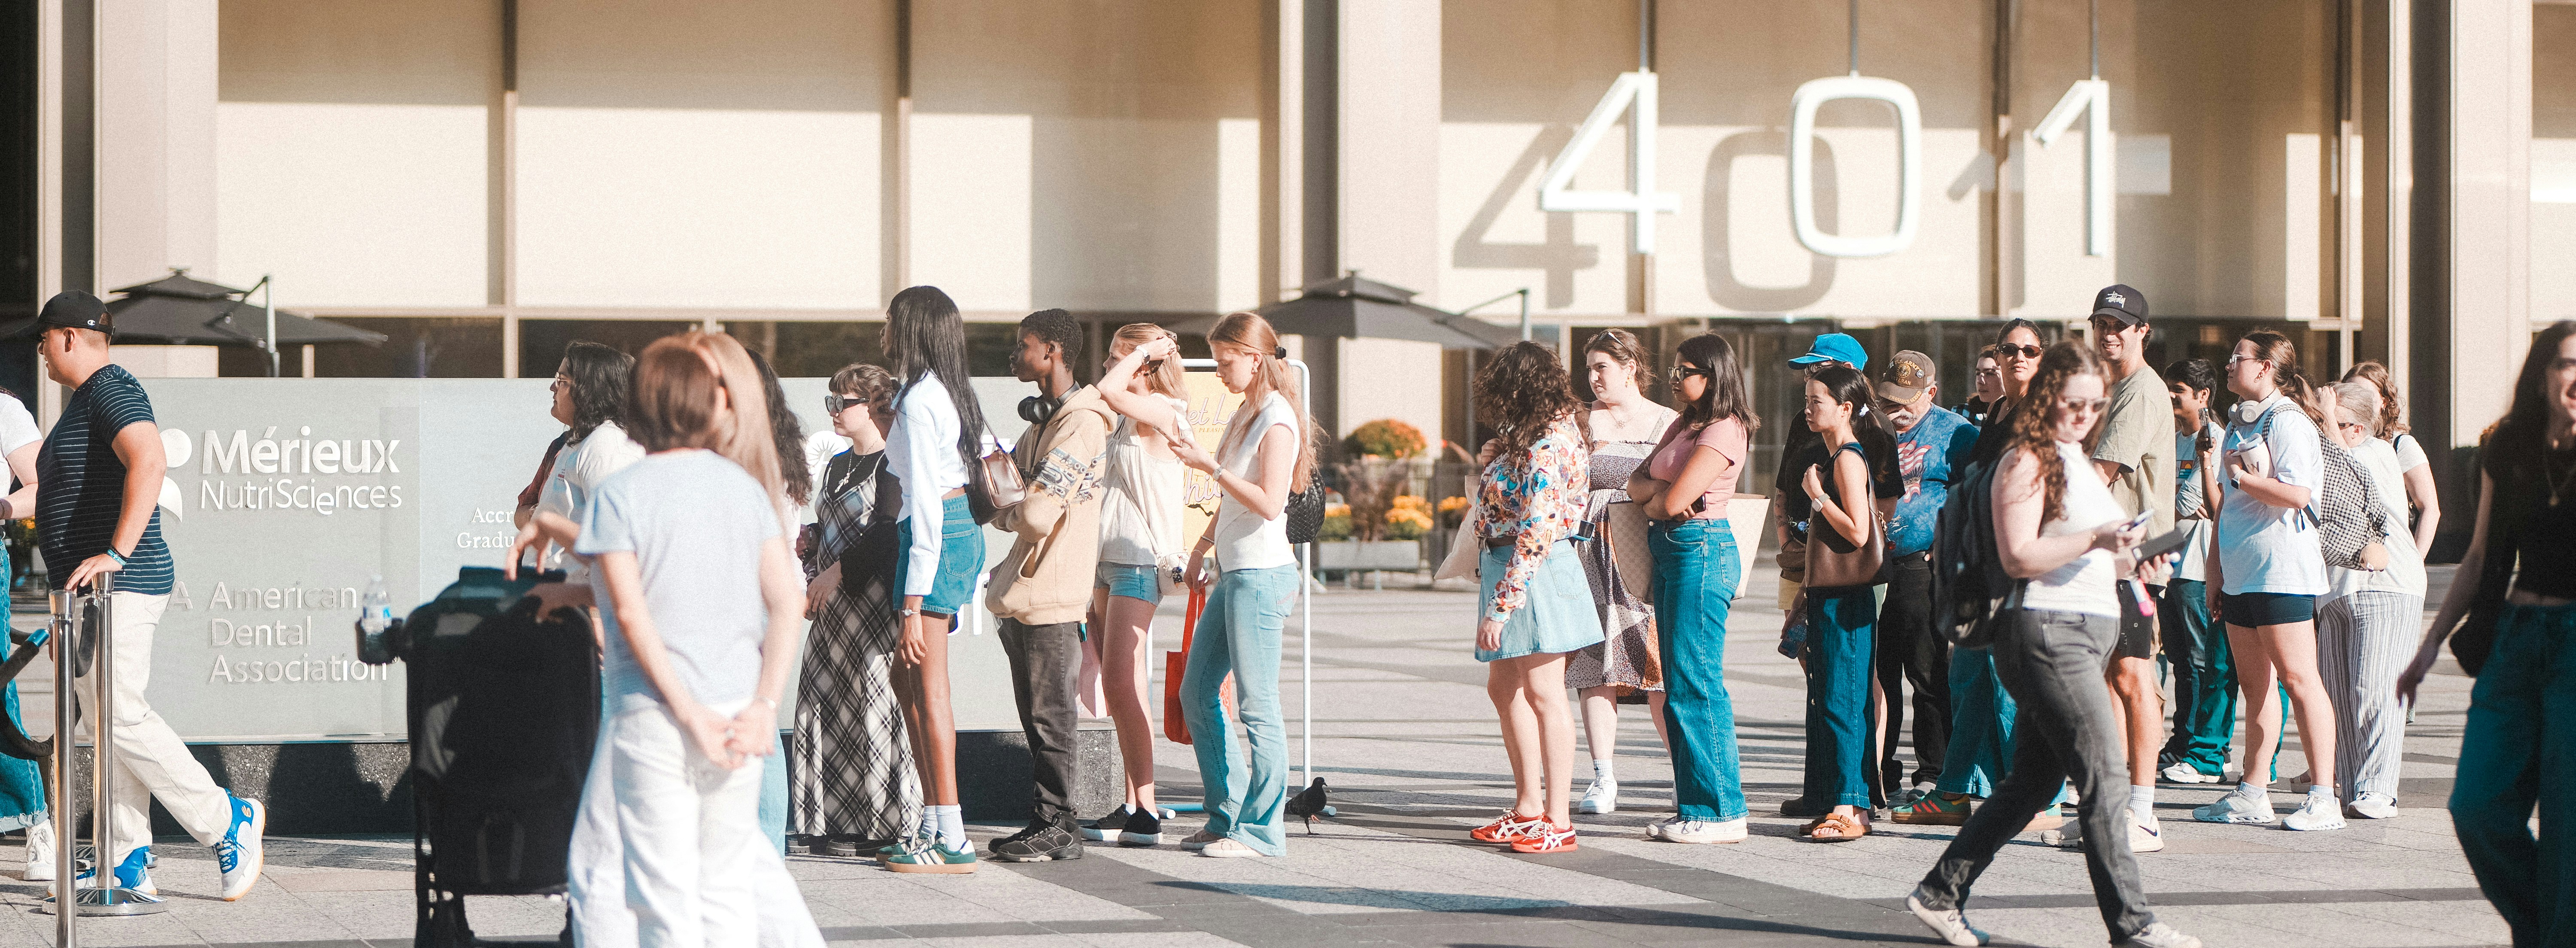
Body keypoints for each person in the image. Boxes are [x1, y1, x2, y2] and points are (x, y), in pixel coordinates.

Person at [1905, 341, 2198, 948]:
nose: (2084, 416)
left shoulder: (2073, 460)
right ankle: (2133, 926)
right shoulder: (2027, 461)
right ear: (2048, 398)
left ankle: (1940, 892)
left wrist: (2137, 559)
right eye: (2073, 404)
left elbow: (2090, 552)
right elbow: (2019, 557)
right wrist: (2097, 540)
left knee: (2032, 786)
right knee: (2105, 778)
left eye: (2095, 407)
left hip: (2080, 632)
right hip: (2046, 634)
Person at [573, 331, 823, 946]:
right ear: (710, 406)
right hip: (737, 715)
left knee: (662, 901)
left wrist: (686, 713)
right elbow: (787, 602)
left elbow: (632, 615)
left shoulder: (618, 495)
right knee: (726, 893)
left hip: (653, 719)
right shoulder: (743, 489)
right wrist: (765, 706)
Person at [18, 291, 265, 900]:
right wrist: (66, 609)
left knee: (120, 713)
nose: (42, 351)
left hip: (123, 584)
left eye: (44, 339)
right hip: (88, 594)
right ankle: (126, 856)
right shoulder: (87, 400)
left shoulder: (112, 389)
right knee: (105, 721)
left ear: (71, 336)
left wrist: (117, 554)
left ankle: (227, 819)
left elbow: (149, 461)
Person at [2400, 321, 2576, 947]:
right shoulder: (2507, 448)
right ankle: (2545, 927)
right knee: (2476, 807)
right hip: (2519, 637)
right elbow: (2478, 558)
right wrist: (2426, 648)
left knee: (2566, 826)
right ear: (2542, 375)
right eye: (2567, 364)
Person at [508, 343, 649, 942]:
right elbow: (536, 516)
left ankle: (596, 915)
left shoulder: (608, 450)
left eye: (562, 379)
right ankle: (586, 908)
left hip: (597, 628)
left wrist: (593, 612)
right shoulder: (569, 447)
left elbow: (621, 550)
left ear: (587, 389)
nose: (552, 387)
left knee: (599, 779)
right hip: (567, 619)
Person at [1166, 311, 1313, 859]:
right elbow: (1232, 503)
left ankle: (1262, 832)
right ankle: (1228, 814)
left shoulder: (1276, 419)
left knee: (1257, 706)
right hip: (1235, 573)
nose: (1222, 372)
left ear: (1255, 360)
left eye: (1227, 362)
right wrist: (1203, 548)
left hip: (1261, 576)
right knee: (1196, 692)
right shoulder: (1246, 413)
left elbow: (1271, 501)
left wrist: (1210, 466)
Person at [1897, 319, 2052, 827]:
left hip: (2014, 566)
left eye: (2029, 350)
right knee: (1968, 679)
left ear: (2042, 357)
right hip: (1975, 563)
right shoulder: (1998, 411)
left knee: (2007, 683)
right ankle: (1952, 790)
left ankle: (2037, 794)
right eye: (2009, 349)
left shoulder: (2043, 414)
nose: (2018, 358)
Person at [2192, 329, 2343, 832]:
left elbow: (2299, 495)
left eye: (2239, 358)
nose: (2230, 364)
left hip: (2282, 571)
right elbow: (2228, 510)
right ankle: (2252, 791)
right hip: (2241, 572)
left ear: (2266, 368)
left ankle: (2325, 795)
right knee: (2256, 686)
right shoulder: (2237, 424)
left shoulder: (2289, 422)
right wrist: (2215, 574)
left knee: (2300, 680)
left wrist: (2240, 477)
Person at [983, 309, 1115, 863]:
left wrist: (1011, 512)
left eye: (1024, 346)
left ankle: (1059, 825)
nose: (1015, 355)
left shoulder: (1080, 424)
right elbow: (999, 493)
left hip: (1053, 592)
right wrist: (1009, 505)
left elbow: (1032, 513)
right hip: (1026, 591)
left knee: (1051, 717)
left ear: (1055, 351)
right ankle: (1048, 821)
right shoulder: (1043, 422)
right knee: (1038, 718)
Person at [1457, 342, 1598, 855]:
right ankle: (1528, 808)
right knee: (1505, 687)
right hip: (1512, 567)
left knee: (1544, 692)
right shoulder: (1535, 437)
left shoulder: (1546, 442)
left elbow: (1538, 530)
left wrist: (1502, 604)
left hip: (1532, 572)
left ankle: (1557, 820)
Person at [875, 285, 993, 872]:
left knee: (928, 684)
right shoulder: (949, 391)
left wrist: (912, 598)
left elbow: (923, 498)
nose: (884, 332)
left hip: (936, 535)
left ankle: (953, 834)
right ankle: (932, 820)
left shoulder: (923, 399)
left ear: (912, 329)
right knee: (907, 677)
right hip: (950, 531)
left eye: (891, 322)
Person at [1624, 332, 1759, 845]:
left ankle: (1722, 811)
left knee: (1696, 681)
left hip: (1699, 550)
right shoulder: (1685, 424)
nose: (1676, 379)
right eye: (1676, 370)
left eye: (1687, 372)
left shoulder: (1724, 429)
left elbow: (1667, 499)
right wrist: (1660, 494)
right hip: (1674, 549)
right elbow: (1638, 483)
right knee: (1677, 683)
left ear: (1714, 375)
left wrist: (1660, 497)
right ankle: (1695, 805)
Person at [793, 363, 920, 855]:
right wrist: (812, 545)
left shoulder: (893, 463)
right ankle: (833, 820)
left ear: (872, 406)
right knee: (824, 702)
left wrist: (837, 570)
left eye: (842, 402)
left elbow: (887, 537)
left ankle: (887, 821)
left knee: (874, 703)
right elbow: (833, 524)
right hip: (831, 606)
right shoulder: (836, 464)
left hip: (868, 603)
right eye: (831, 402)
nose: (834, 412)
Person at [2072, 284, 2174, 855]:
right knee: (2111, 679)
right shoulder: (2111, 389)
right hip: (2106, 559)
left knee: (2135, 680)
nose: (2109, 334)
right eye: (2102, 324)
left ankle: (2143, 812)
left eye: (2120, 325)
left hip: (2134, 562)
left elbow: (2101, 472)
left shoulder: (2139, 391)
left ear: (2143, 332)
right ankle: (2113, 808)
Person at [1082, 324, 1192, 847]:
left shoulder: (1165, 412)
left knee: (1124, 682)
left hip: (1138, 561)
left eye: (1116, 358)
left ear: (1143, 365)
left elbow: (1109, 389)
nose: (1107, 366)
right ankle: (1131, 802)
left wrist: (1145, 353)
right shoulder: (1125, 420)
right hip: (1105, 557)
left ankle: (1146, 807)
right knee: (1114, 682)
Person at [1563, 329, 1680, 815]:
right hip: (1587, 549)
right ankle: (1603, 777)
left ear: (1630, 367)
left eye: (1602, 367)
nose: (1593, 378)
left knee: (1657, 669)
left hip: (1642, 552)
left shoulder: (1666, 421)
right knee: (1595, 666)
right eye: (1588, 368)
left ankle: (1683, 774)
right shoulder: (1578, 420)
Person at [1791, 365, 1898, 841]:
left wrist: (1816, 498)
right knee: (1835, 697)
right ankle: (1843, 800)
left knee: (1844, 700)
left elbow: (1857, 531)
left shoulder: (1847, 460)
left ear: (1846, 408)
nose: (1809, 408)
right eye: (1808, 399)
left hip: (1848, 596)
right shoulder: (1835, 456)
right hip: (1830, 595)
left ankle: (1852, 808)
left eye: (1818, 401)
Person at [1871, 351, 1979, 807]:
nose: (1896, 411)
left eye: (1906, 403)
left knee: (1926, 669)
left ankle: (1933, 771)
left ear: (1931, 393)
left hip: (1923, 564)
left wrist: (1951, 539)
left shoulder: (1957, 433)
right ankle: (1881, 769)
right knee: (1879, 672)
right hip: (1873, 564)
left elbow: (1975, 490)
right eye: (1889, 400)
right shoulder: (1872, 429)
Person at [2316, 381, 2421, 821]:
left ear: (2357, 429)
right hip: (2336, 590)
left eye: (2332, 424)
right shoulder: (2340, 451)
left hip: (2388, 586)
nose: (2322, 433)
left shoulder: (2376, 454)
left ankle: (2380, 790)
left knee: (2375, 689)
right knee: (2340, 695)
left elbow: (2343, 472)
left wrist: (2325, 417)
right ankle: (2352, 787)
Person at [747, 348, 814, 857]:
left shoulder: (755, 454)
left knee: (761, 720)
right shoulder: (780, 442)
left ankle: (767, 844)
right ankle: (766, 843)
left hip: (758, 599)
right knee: (762, 721)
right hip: (773, 595)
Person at [2156, 359, 2233, 787]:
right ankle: (2182, 741)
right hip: (2168, 564)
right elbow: (2157, 502)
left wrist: (2164, 506)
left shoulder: (2214, 441)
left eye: (2178, 391)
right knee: (2182, 662)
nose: (2170, 398)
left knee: (2200, 663)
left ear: (2202, 397)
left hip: (2197, 567)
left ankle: (2207, 747)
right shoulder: (2172, 439)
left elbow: (2188, 506)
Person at [0, 384, 51, 882]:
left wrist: (3, 507)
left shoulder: (4, 409)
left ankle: (38, 825)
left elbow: (43, 484)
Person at [2341, 360, 2440, 556]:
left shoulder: (2401, 445)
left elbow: (2430, 509)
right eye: (2352, 394)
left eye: (2367, 396)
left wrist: (2416, 560)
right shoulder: (2339, 440)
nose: (2359, 402)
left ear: (2384, 402)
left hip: (2392, 558)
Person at [1959, 346, 2005, 429]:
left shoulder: (2021, 414)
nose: (1980, 381)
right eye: (1978, 373)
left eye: (1989, 374)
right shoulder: (1962, 414)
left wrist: (2008, 397)